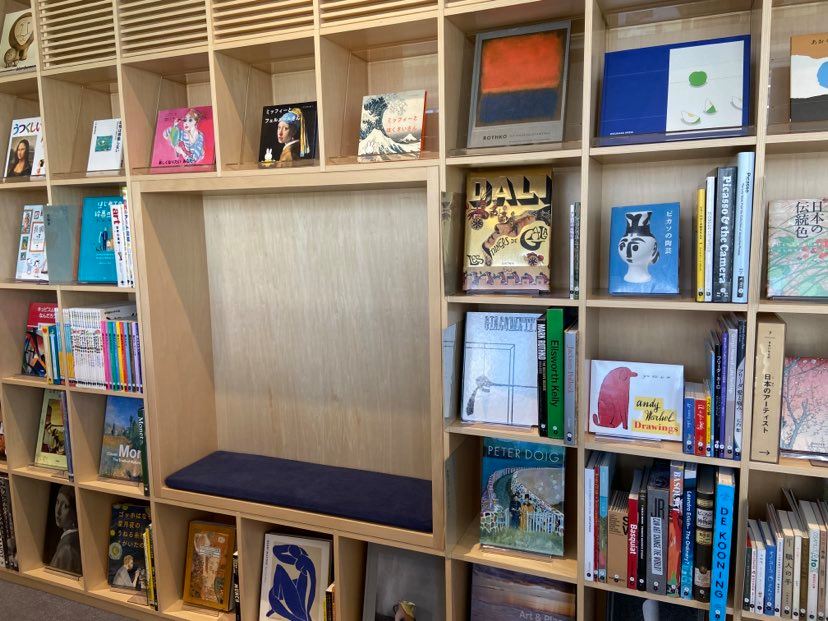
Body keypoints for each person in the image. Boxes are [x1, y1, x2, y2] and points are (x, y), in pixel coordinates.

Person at [49, 485, 81, 575]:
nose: (58, 511)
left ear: (75, 512)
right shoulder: (75, 538)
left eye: (65, 506)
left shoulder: (67, 548)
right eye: (57, 502)